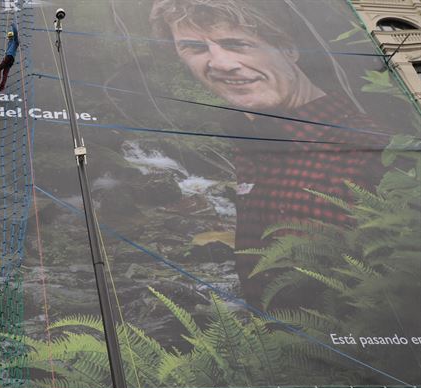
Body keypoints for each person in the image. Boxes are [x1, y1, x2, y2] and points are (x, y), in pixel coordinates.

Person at [149, 0, 389, 307]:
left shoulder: (373, 149)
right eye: (196, 49)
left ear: (288, 49)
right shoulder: (254, 140)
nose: (220, 63)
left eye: (236, 44)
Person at [0, 23, 19, 92]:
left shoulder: (15, 42)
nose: (10, 38)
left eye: (10, 37)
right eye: (9, 37)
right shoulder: (10, 43)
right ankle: (1, 87)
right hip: (11, 59)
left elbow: (16, 33)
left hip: (9, 57)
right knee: (5, 73)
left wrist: (13, 25)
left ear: (12, 37)